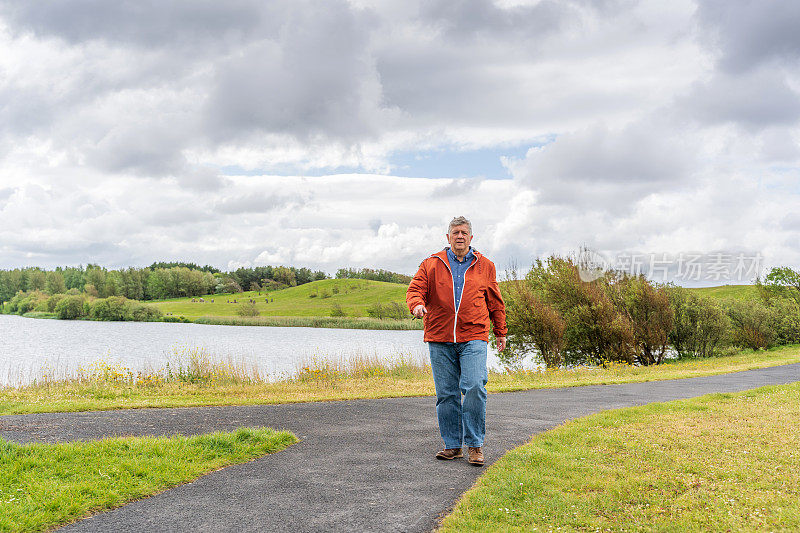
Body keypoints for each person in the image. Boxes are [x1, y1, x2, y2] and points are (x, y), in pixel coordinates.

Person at [406, 216, 507, 466]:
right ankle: (452, 446)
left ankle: (474, 445)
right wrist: (417, 304)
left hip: (474, 335)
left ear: (471, 238)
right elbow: (415, 289)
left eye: (464, 232)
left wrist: (500, 331)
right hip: (440, 337)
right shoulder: (431, 264)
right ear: (448, 237)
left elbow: (495, 301)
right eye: (455, 232)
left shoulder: (486, 265)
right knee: (446, 394)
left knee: (474, 386)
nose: (459, 236)